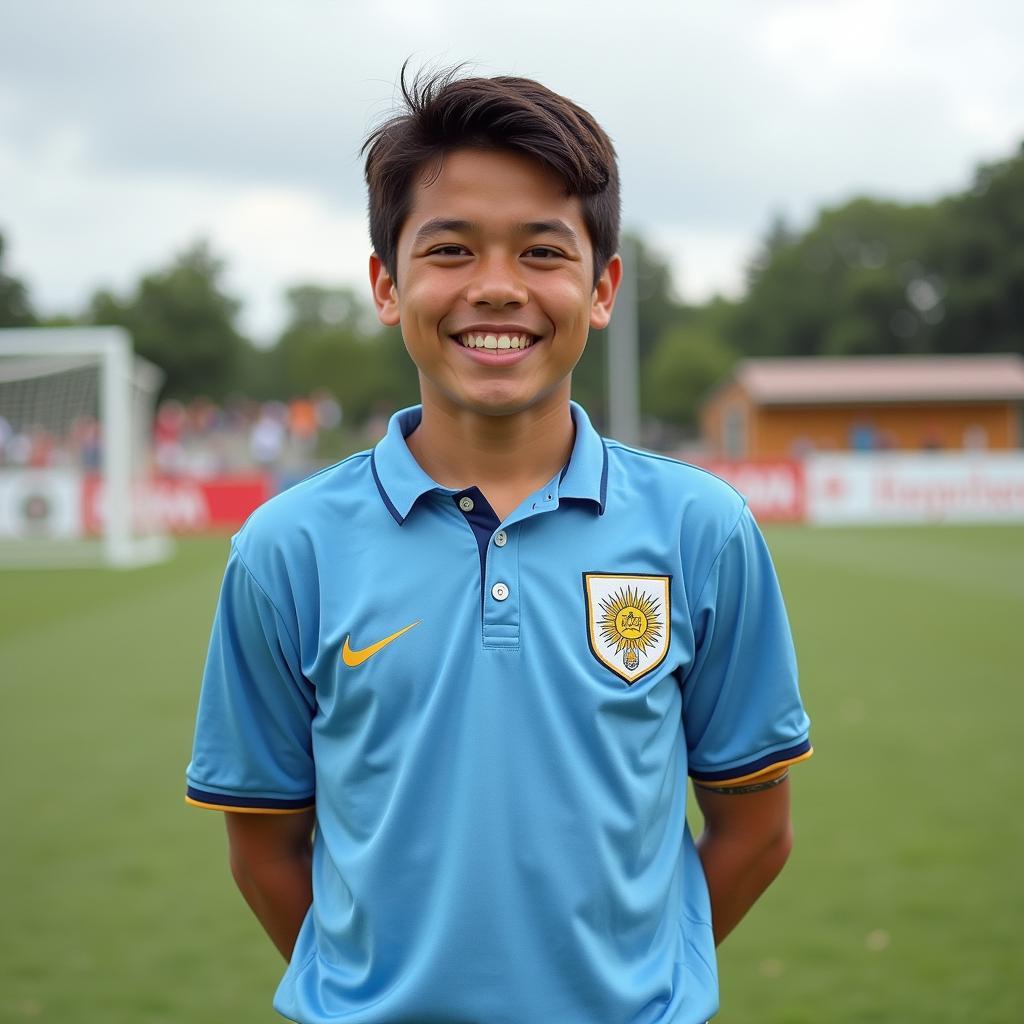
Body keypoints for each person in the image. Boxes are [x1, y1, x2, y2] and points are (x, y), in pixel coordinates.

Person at [186, 65, 812, 1024]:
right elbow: (264, 848)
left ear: (600, 289)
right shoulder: (287, 548)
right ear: (387, 286)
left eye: (541, 253)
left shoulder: (702, 529)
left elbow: (756, 831)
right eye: (450, 249)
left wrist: (632, 986)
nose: (495, 288)